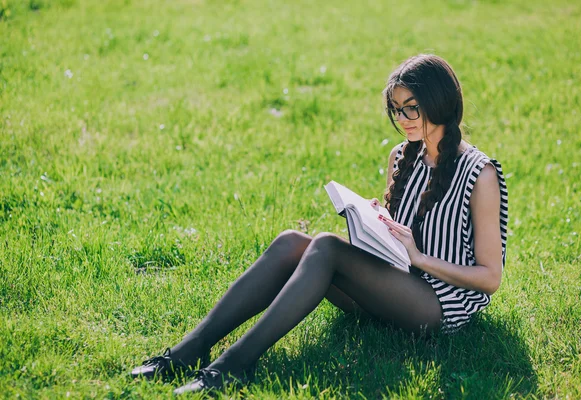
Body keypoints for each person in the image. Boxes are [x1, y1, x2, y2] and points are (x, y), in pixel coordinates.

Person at [131, 54, 509, 395]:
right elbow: (402, 235)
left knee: (326, 247)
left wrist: (420, 258)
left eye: (412, 108)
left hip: (437, 307)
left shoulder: (480, 173)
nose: (403, 119)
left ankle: (232, 367)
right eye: (396, 110)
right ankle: (188, 351)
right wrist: (376, 220)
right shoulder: (401, 155)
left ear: (440, 103)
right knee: (291, 242)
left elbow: (490, 277)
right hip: (395, 286)